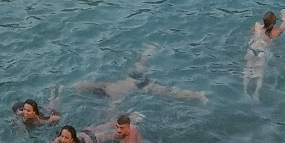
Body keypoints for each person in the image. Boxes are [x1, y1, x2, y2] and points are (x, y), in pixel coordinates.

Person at [78, 45, 206, 102]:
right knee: (140, 64)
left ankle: (198, 95)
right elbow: (89, 84)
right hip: (133, 78)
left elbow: (113, 109)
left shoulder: (113, 96)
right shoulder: (106, 85)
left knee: (170, 93)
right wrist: (80, 88)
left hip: (141, 86)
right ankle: (149, 50)